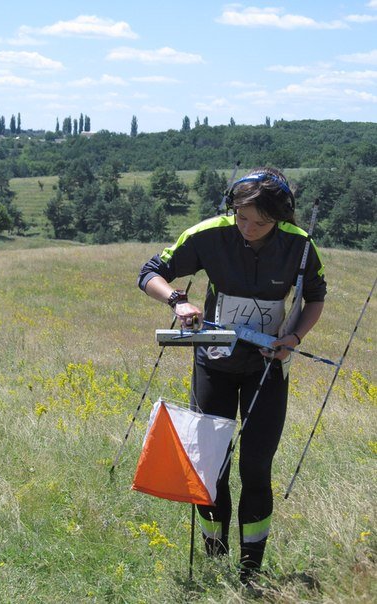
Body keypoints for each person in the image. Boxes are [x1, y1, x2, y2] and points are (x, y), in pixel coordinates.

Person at [137, 167, 326, 584]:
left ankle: (250, 571)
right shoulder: (207, 234)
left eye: (261, 222)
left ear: (281, 218)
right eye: (242, 218)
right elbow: (149, 273)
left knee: (256, 469)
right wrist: (177, 302)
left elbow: (315, 296)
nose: (249, 228)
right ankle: (214, 556)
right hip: (214, 363)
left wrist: (293, 337)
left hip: (267, 367)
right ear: (231, 208)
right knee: (211, 466)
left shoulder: (299, 245)